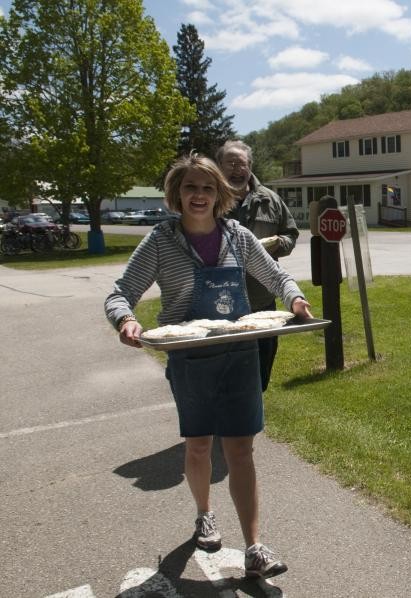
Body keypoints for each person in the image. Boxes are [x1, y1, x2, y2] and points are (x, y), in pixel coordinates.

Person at [104, 153, 313, 580]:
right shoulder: (162, 240)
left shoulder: (237, 236)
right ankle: (205, 515)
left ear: (220, 194)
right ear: (176, 195)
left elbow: (276, 276)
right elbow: (120, 292)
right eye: (190, 187)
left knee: (241, 449)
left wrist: (294, 299)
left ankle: (254, 547)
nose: (199, 195)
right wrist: (126, 320)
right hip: (190, 359)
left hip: (239, 355)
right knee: (199, 445)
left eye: (207, 188)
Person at [217, 140, 300, 392]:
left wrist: (277, 245)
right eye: (230, 163)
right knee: (223, 381)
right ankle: (225, 430)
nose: (236, 168)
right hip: (220, 307)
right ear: (219, 166)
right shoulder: (209, 198)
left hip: (262, 303)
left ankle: (245, 427)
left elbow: (290, 234)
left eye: (241, 163)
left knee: (260, 379)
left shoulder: (270, 200)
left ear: (250, 166)